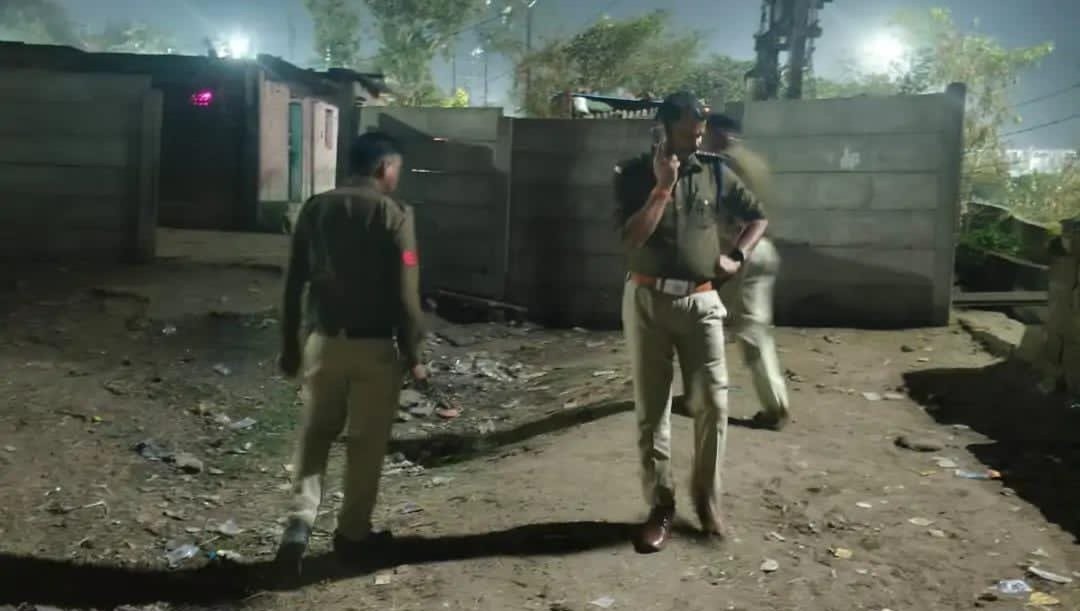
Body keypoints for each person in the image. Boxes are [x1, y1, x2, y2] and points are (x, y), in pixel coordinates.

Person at [614, 92, 769, 553]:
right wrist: (662, 187)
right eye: (686, 134)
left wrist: (737, 254)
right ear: (663, 129)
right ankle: (661, 506)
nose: (694, 142)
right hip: (648, 300)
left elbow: (757, 217)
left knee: (714, 404)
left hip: (702, 302)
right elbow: (631, 239)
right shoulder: (632, 173)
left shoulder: (716, 172)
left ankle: (706, 498)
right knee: (652, 411)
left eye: (699, 134)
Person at [275, 131, 427, 574]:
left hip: (323, 343)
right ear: (383, 167)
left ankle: (299, 522)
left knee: (316, 434)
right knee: (365, 444)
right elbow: (407, 294)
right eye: (397, 168)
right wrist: (414, 352)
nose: (397, 176)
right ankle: (353, 534)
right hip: (375, 347)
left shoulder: (315, 208)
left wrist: (289, 346)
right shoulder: (395, 214)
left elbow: (293, 284)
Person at [701, 113, 791, 431]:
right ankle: (700, 394)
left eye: (705, 132)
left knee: (750, 330)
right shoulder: (755, 162)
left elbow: (720, 211)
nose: (702, 138)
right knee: (711, 321)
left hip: (742, 253)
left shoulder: (723, 164)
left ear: (718, 133)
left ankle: (775, 407)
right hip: (762, 250)